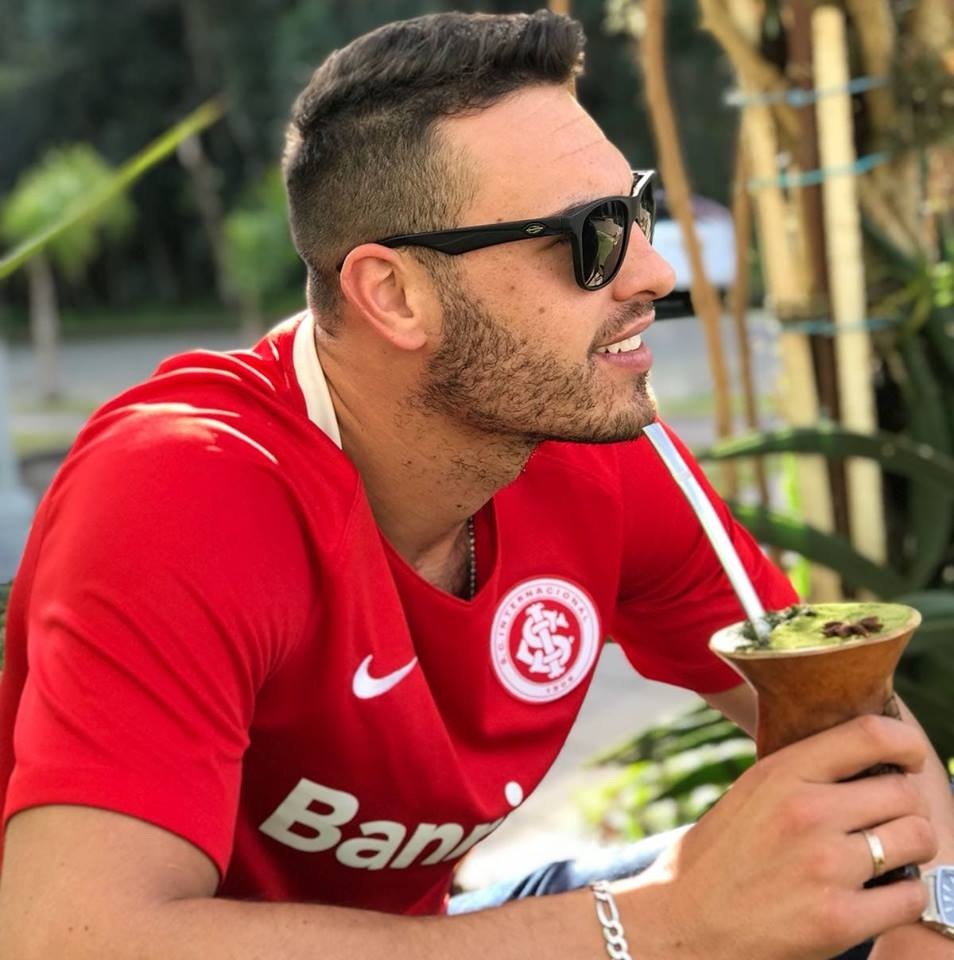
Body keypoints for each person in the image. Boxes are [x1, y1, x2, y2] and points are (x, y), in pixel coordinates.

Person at [0, 11, 951, 960]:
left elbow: (872, 755)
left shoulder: (597, 448)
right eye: (588, 237)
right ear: (395, 295)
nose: (655, 272)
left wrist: (924, 917)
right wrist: (661, 922)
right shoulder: (183, 493)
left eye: (636, 209)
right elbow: (73, 941)